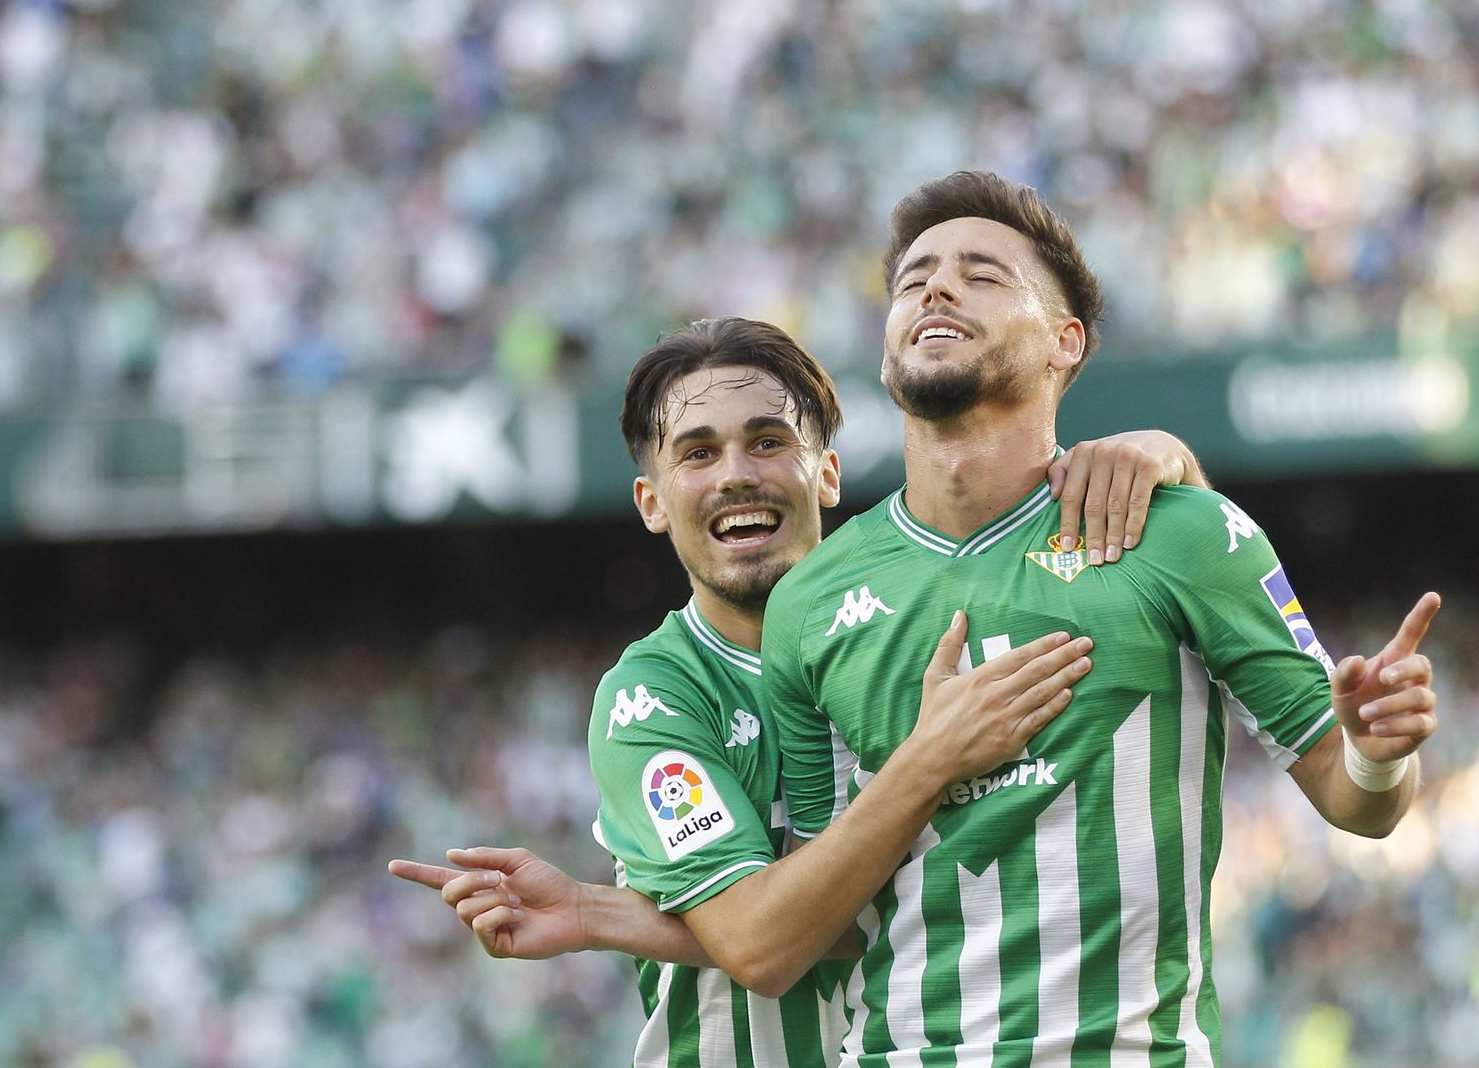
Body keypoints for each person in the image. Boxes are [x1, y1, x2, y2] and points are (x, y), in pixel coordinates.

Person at [391, 316, 1212, 1066]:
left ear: (826, 473)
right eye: (698, 453)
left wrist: (1173, 462)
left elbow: (938, 911)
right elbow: (762, 945)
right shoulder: (656, 698)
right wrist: (928, 762)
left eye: (767, 441)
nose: (736, 476)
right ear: (651, 501)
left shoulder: (930, 634)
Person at [758, 170, 1440, 1065]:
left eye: (984, 273)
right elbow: (819, 907)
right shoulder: (809, 602)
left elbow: (1357, 803)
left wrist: (1379, 754)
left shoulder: (1184, 532)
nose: (935, 285)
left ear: (1064, 344)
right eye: (913, 276)